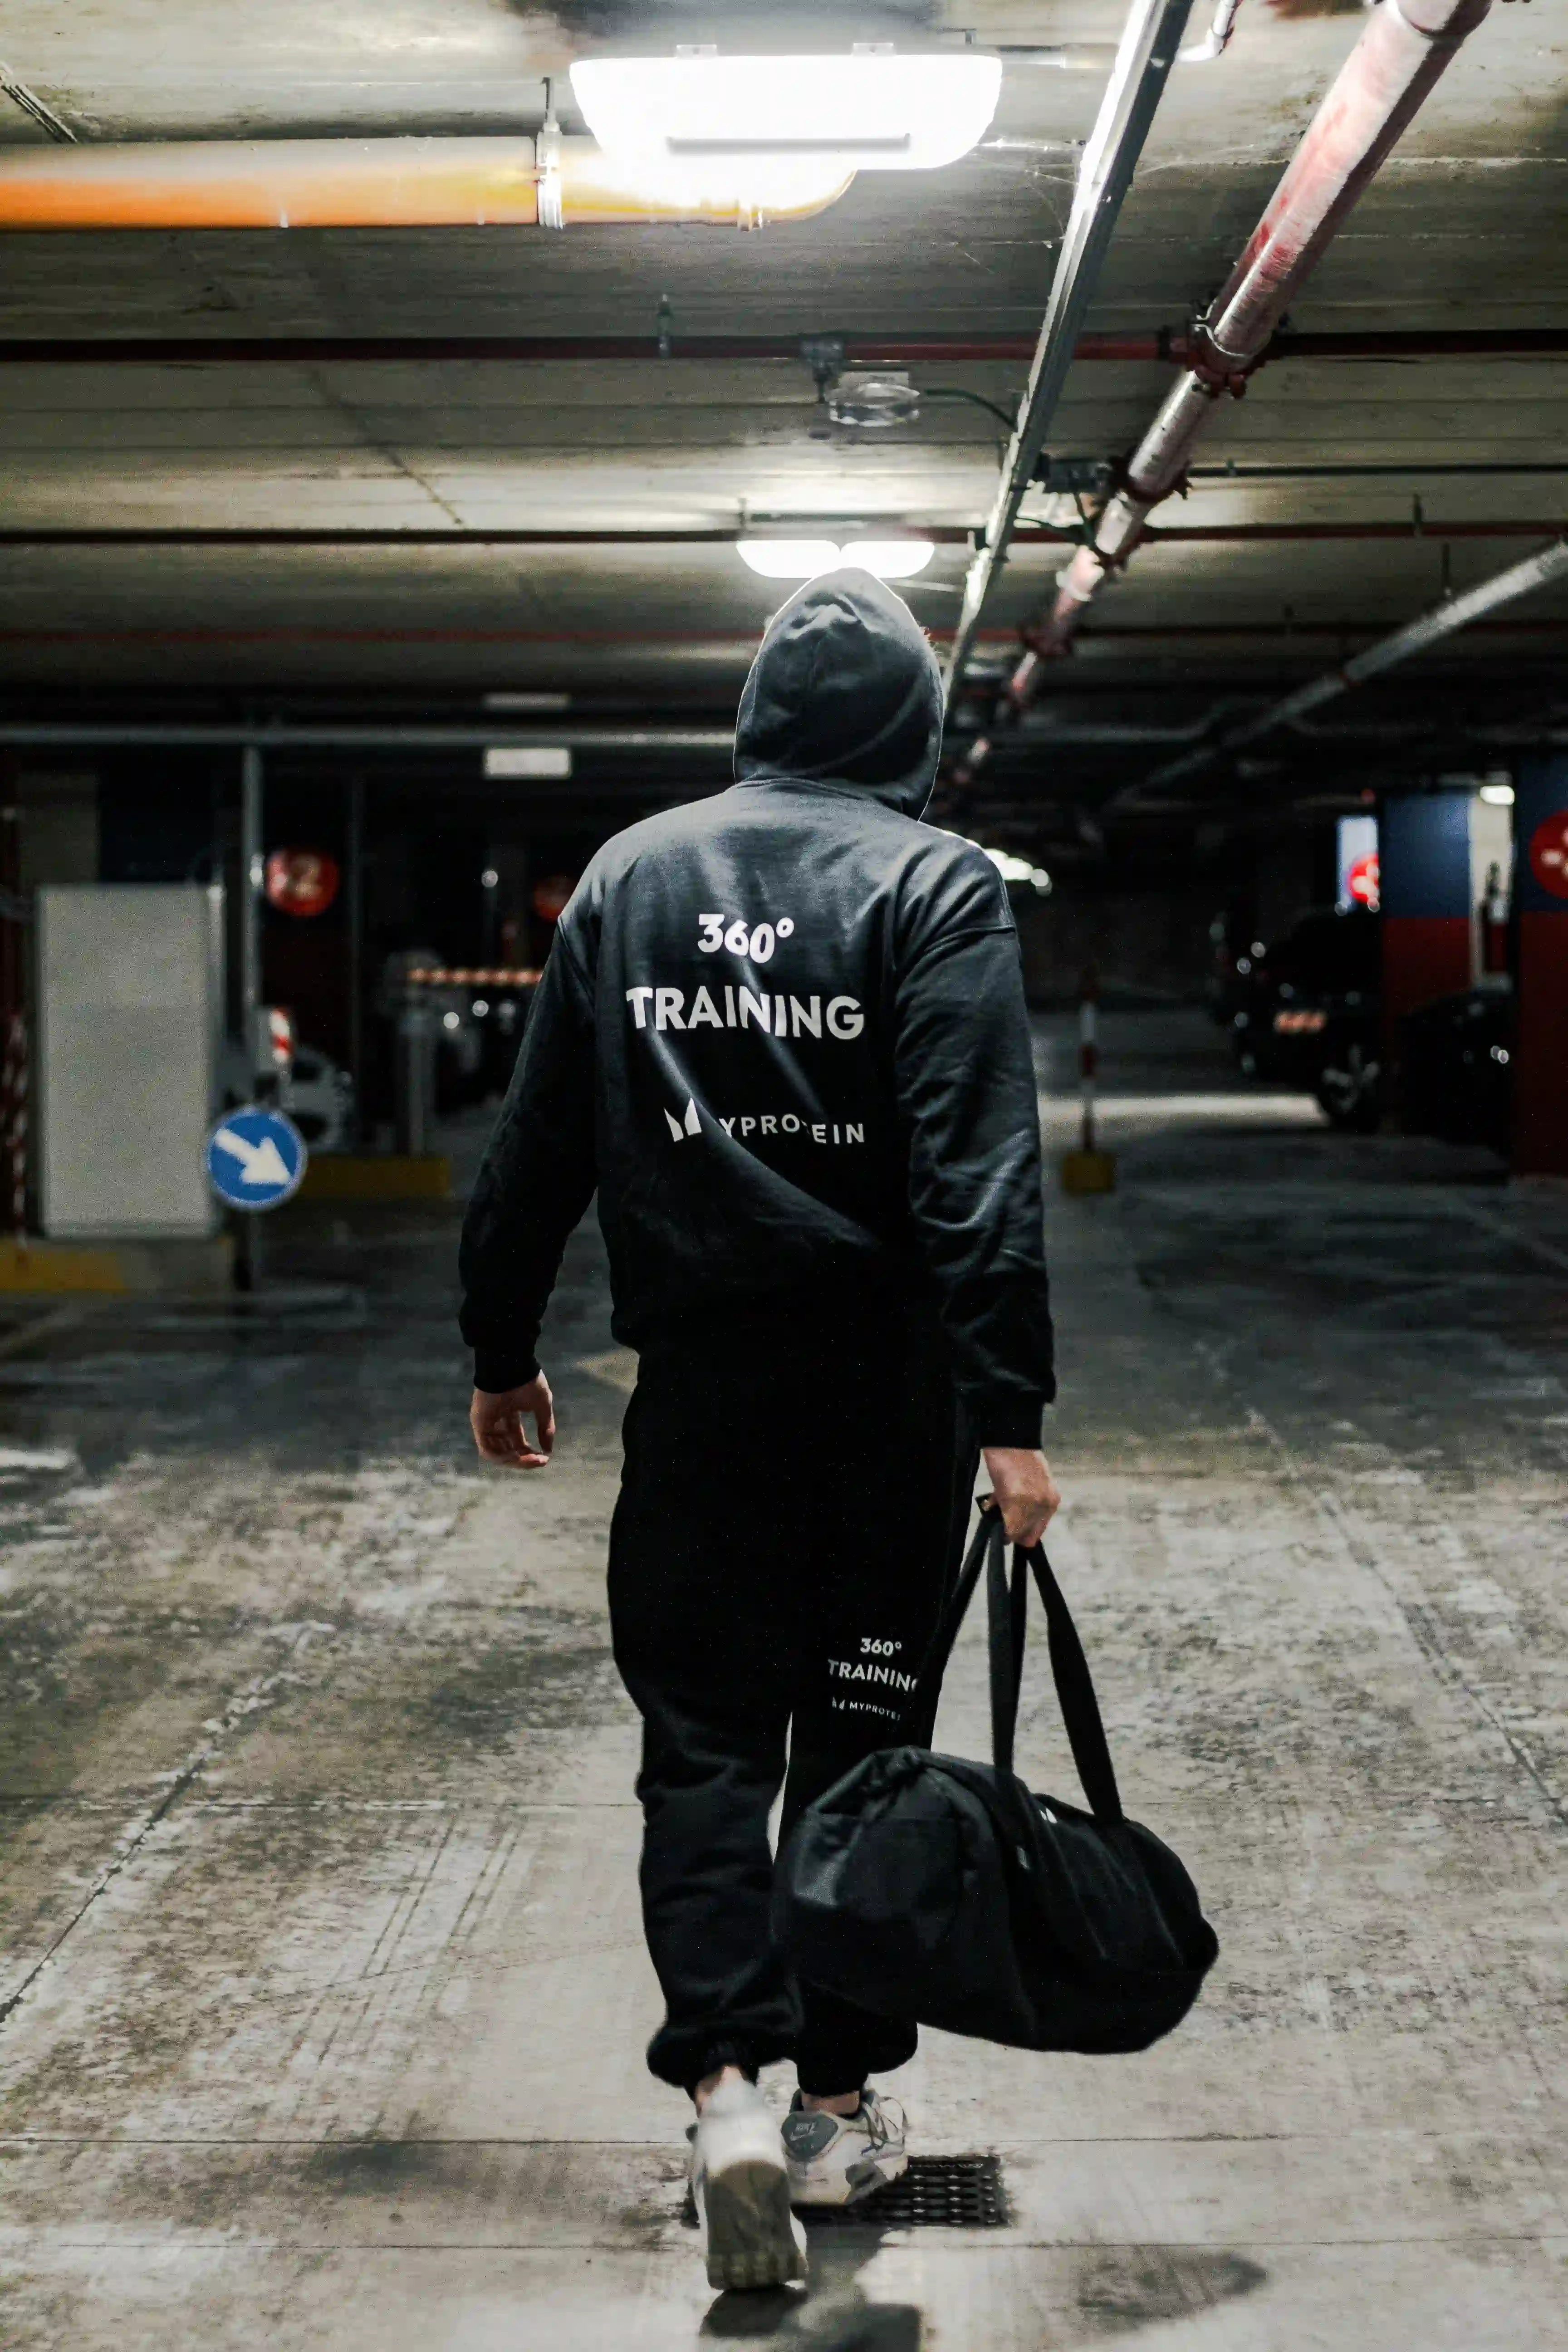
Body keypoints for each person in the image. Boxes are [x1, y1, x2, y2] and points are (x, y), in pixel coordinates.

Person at [459, 569, 1058, 2293]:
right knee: (858, 1758)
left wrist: (505, 1344)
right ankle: (838, 2107)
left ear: (755, 715)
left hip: (702, 1404)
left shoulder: (634, 878)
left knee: (703, 1751)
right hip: (886, 1413)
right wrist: (1006, 1411)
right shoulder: (933, 883)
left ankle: (721, 2083)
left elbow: (539, 1145)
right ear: (910, 733)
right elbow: (976, 1164)